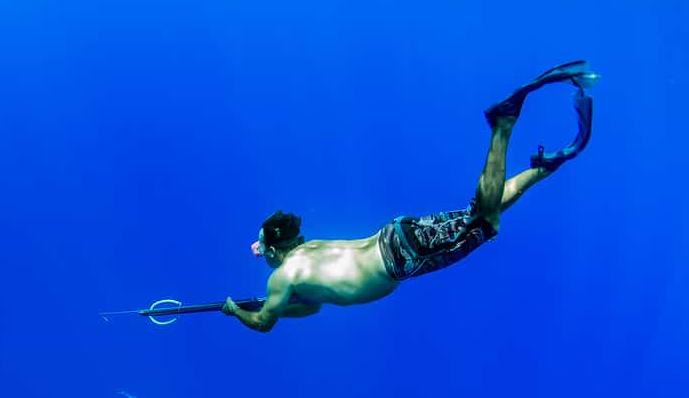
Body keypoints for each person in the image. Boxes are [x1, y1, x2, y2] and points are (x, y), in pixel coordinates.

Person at [222, 60, 597, 333]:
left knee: (483, 219)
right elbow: (312, 308)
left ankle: (503, 125)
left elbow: (263, 323)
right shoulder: (306, 255)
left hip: (399, 258)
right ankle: (543, 168)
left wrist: (236, 310)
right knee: (481, 217)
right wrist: (272, 305)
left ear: (272, 251)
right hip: (395, 237)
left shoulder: (282, 278)